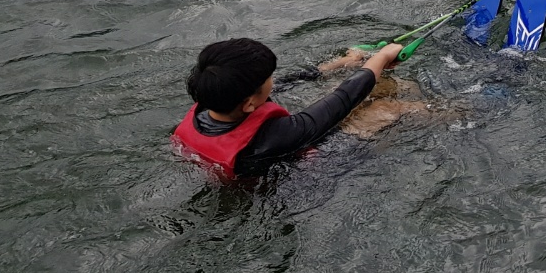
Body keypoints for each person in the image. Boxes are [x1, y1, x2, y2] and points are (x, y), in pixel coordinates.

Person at [173, 37, 404, 177]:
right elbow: (343, 99)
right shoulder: (278, 135)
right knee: (391, 107)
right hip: (299, 177)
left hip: (241, 167)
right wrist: (382, 57)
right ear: (249, 103)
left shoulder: (211, 100)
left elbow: (281, 85)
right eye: (268, 78)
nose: (273, 81)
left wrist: (339, 64)